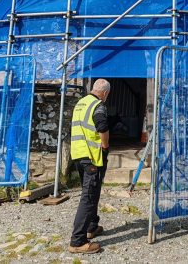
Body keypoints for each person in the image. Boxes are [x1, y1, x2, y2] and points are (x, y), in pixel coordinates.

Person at [69, 79, 111, 254]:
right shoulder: (98, 106)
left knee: (92, 192)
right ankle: (77, 241)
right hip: (92, 157)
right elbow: (102, 127)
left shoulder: (81, 103)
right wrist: (105, 147)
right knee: (88, 196)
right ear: (105, 93)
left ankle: (91, 227)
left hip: (78, 154)